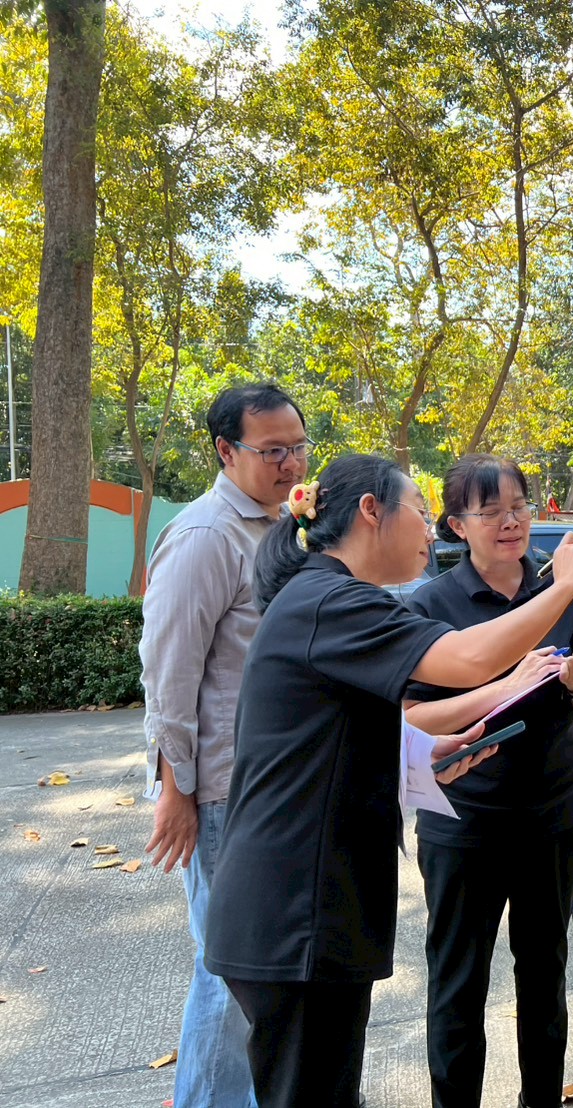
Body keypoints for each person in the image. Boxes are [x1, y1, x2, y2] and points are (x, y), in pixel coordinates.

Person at [203, 453, 573, 1108]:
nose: (428, 530)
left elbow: (329, 735)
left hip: (308, 907)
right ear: (372, 512)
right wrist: (563, 586)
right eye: (421, 513)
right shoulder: (332, 601)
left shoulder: (323, 597)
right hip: (298, 910)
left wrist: (418, 753)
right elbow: (469, 659)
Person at [401, 455, 573, 1108]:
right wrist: (502, 685)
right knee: (458, 984)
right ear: (457, 525)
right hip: (464, 821)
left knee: (545, 975)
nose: (511, 522)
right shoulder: (431, 604)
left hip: (554, 812)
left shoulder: (562, 590)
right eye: (491, 511)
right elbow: (409, 717)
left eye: (518, 507)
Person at [139, 381, 310, 1108]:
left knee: (256, 967)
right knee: (230, 969)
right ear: (225, 450)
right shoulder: (206, 536)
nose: (290, 464)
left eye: (298, 447)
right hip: (220, 792)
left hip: (271, 786)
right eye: (272, 451)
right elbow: (168, 676)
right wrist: (175, 792)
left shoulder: (281, 528)